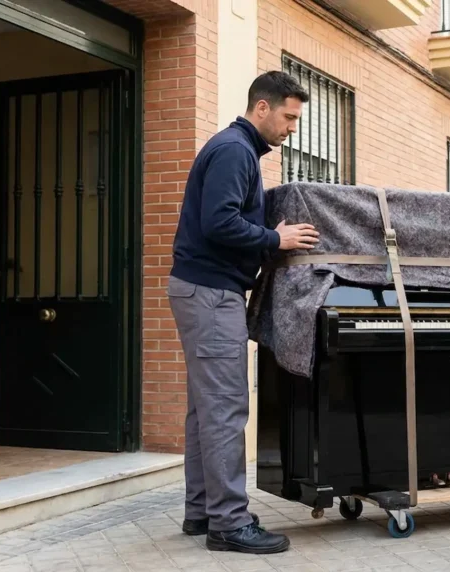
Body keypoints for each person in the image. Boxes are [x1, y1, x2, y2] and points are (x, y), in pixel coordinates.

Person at [167, 71, 319, 554]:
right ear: (262, 108)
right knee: (226, 409)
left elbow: (226, 218)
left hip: (202, 290)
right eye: (289, 116)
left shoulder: (236, 149)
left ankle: (203, 512)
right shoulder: (235, 150)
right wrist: (277, 239)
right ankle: (229, 524)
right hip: (211, 294)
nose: (292, 126)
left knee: (205, 411)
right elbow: (219, 222)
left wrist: (264, 232)